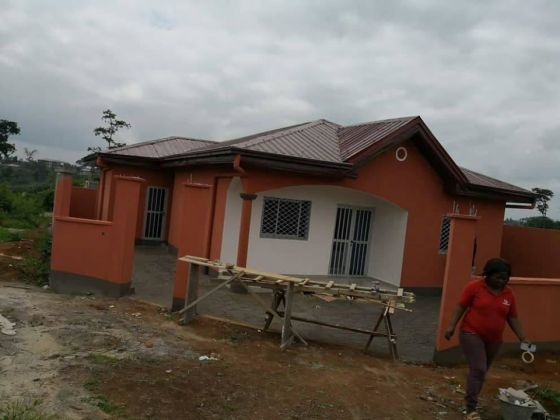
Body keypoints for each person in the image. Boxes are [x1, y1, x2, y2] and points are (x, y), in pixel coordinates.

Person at [444, 258, 529, 420]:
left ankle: (472, 398)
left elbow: (512, 317)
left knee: (481, 372)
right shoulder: (474, 287)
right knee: (479, 369)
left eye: (505, 278)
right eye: (498, 277)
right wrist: (451, 326)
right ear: (488, 275)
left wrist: (523, 338)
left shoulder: (509, 293)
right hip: (471, 333)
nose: (501, 281)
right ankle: (470, 408)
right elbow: (461, 306)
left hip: (494, 339)